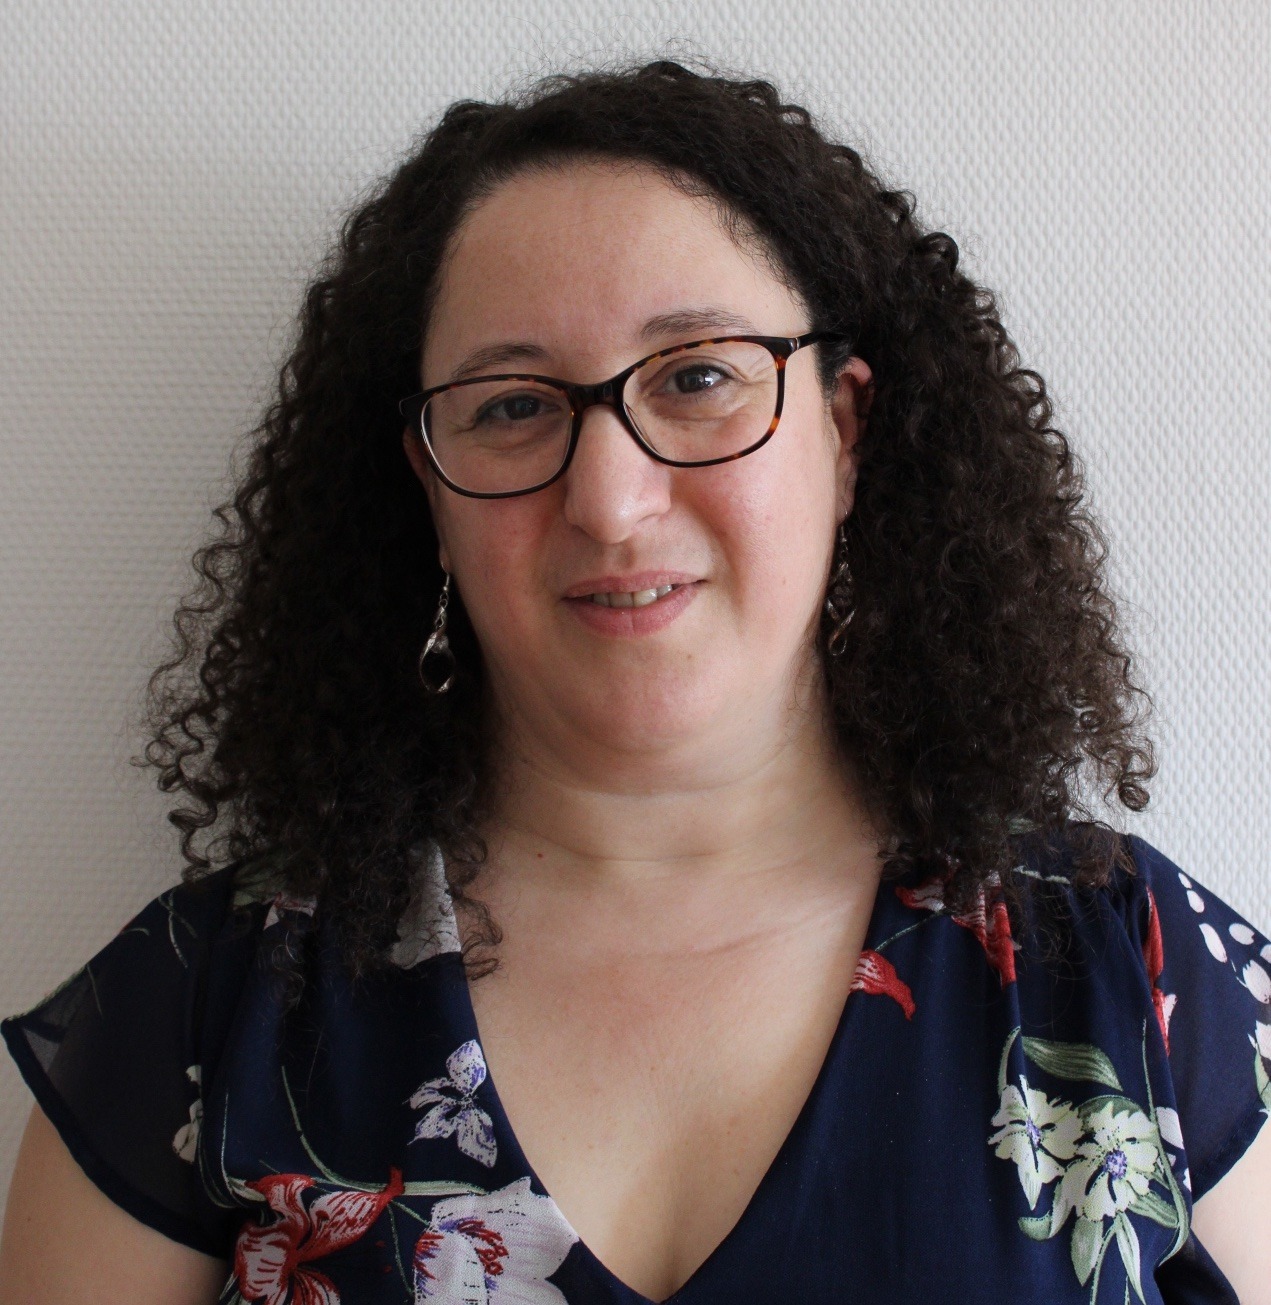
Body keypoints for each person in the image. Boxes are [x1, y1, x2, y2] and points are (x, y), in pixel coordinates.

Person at [1, 57, 1268, 1305]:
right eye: (512, 406)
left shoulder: (1129, 967)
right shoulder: (204, 1004)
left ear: (841, 430)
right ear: (426, 481)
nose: (609, 501)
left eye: (697, 376)